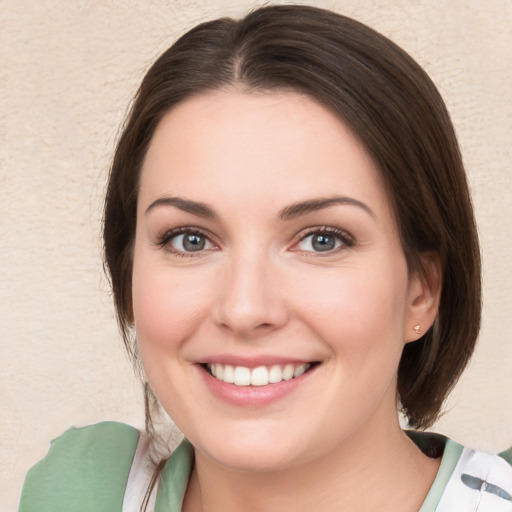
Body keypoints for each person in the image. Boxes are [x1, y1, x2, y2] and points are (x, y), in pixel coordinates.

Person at [19, 4, 512, 512]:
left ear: (421, 291)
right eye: (190, 239)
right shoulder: (79, 496)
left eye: (322, 240)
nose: (245, 308)